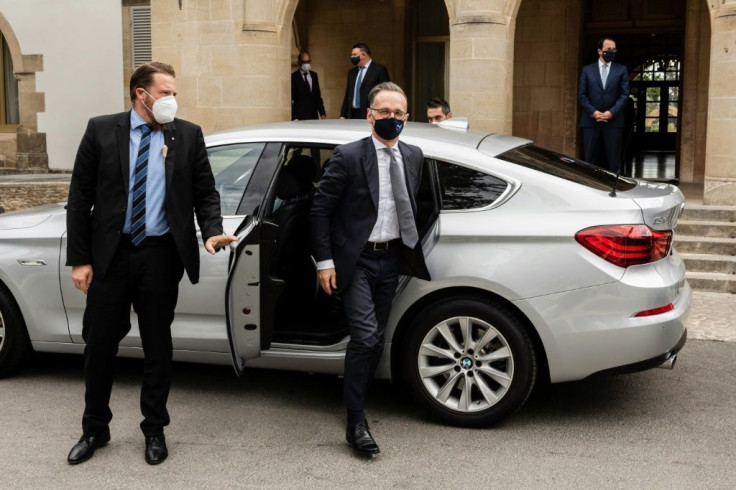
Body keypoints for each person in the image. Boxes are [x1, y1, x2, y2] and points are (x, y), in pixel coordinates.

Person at [65, 62, 237, 466]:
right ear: (140, 94)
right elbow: (80, 198)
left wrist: (211, 229)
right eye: (164, 93)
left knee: (158, 346)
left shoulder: (188, 135)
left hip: (160, 255)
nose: (171, 100)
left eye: (174, 92)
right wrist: (80, 260)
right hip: (111, 256)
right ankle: (94, 428)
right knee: (99, 345)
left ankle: (154, 428)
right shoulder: (101, 130)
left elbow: (205, 192)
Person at [311, 82, 431, 456]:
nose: (392, 119)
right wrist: (325, 261)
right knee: (364, 337)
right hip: (356, 260)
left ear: (406, 118)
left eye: (399, 113)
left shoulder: (413, 155)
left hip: (392, 259)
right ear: (370, 115)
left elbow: (417, 203)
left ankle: (359, 393)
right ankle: (355, 421)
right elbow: (319, 211)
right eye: (384, 112)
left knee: (376, 337)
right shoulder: (347, 156)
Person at [578, 37, 630, 172]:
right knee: (590, 160)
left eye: (614, 49)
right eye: (608, 49)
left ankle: (614, 189)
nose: (611, 52)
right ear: (600, 51)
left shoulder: (621, 70)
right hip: (590, 121)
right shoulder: (587, 70)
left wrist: (611, 113)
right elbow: (582, 95)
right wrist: (594, 112)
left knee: (614, 160)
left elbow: (624, 95)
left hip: (614, 122)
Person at [340, 43, 390, 119]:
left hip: (370, 114)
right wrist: (342, 115)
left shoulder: (379, 70)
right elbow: (348, 94)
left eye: (354, 54)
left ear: (363, 55)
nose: (352, 57)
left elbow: (385, 94)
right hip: (352, 114)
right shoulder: (352, 72)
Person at [291, 51, 326, 121]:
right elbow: (291, 98)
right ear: (299, 62)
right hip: (300, 116)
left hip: (313, 115)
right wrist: (294, 117)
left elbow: (317, 96)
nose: (307, 64)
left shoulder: (314, 75)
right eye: (304, 62)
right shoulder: (294, 77)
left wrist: (322, 113)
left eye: (308, 62)